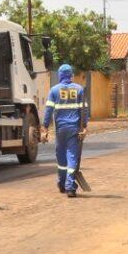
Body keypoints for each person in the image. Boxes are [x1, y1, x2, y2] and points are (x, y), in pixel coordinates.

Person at [42, 64, 89, 198]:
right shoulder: (79, 89)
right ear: (71, 75)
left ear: (60, 75)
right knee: (72, 157)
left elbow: (48, 111)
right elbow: (84, 110)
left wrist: (45, 128)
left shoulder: (54, 90)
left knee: (61, 157)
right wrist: (84, 127)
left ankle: (62, 183)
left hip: (60, 130)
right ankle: (70, 187)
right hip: (74, 129)